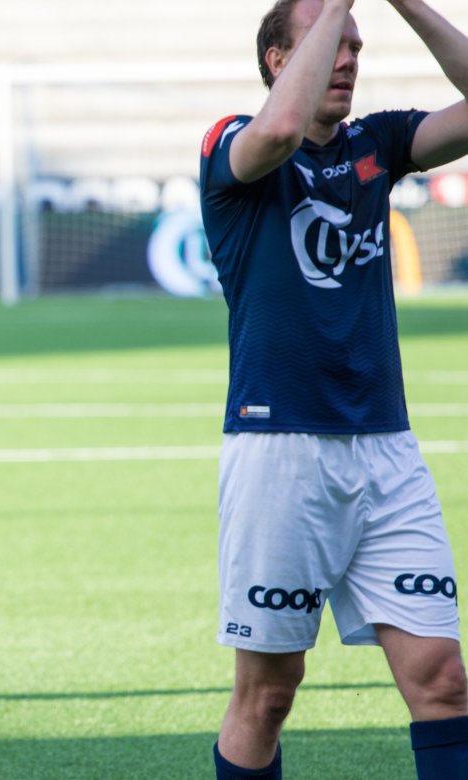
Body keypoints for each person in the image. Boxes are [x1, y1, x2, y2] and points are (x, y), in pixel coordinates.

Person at [198, 1, 468, 777]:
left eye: (356, 44)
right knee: (269, 695)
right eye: (329, 42)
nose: (348, 56)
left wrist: (406, 3)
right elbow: (277, 137)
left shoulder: (377, 145)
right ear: (279, 61)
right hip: (279, 450)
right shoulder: (231, 144)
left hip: (387, 449)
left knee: (443, 680)